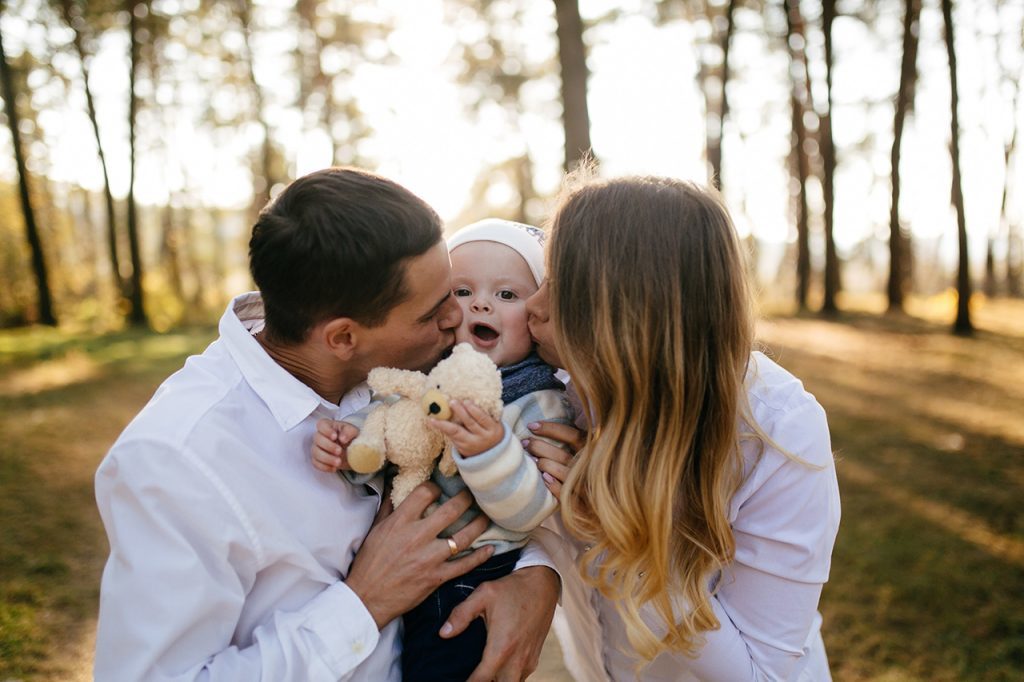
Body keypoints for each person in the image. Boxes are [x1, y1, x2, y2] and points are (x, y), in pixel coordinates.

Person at [93, 168, 560, 681]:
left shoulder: (414, 370)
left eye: (453, 289)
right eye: (433, 313)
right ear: (342, 338)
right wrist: (363, 604)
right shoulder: (177, 460)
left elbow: (473, 488)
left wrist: (537, 574)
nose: (459, 317)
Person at [522, 175, 842, 680]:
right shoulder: (551, 391)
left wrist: (611, 532)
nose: (531, 307)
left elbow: (763, 674)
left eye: (560, 288)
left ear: (628, 311)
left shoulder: (776, 434)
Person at [311, 219, 575, 681]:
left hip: (474, 577)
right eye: (462, 290)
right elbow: (389, 429)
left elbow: (529, 510)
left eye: (507, 295)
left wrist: (489, 449)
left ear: (535, 320)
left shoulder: (539, 400)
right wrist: (349, 444)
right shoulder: (424, 375)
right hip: (399, 573)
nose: (481, 303)